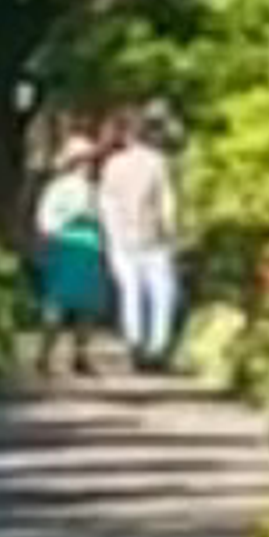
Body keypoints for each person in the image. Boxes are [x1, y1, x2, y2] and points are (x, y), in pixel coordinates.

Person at [98, 105, 187, 370]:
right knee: (162, 292)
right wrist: (171, 232)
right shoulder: (157, 163)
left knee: (131, 292)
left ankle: (135, 340)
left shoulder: (113, 165)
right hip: (153, 236)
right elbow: (167, 201)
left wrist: (111, 234)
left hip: (123, 238)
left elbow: (106, 203)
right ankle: (157, 346)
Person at [27, 122, 115, 373]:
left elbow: (104, 218)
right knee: (57, 302)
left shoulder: (94, 189)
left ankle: (81, 354)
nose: (88, 165)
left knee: (87, 305)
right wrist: (48, 241)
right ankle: (45, 354)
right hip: (67, 244)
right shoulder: (58, 188)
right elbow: (46, 219)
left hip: (89, 244)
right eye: (84, 161)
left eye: (90, 160)